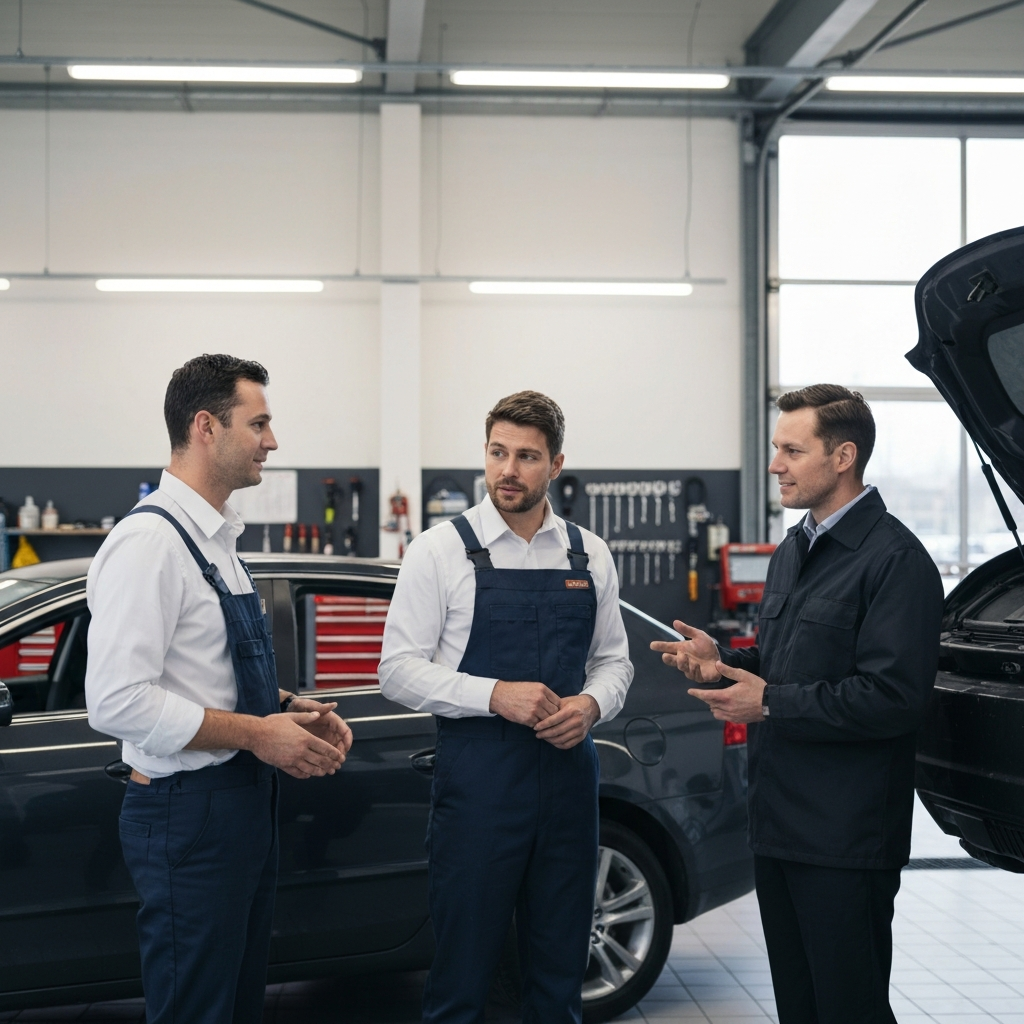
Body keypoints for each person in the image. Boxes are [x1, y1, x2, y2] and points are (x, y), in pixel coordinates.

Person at [652, 384, 944, 1024]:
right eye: (776, 447)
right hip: (780, 825)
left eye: (791, 449)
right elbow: (784, 662)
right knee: (801, 1009)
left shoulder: (897, 562)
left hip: (846, 839)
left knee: (849, 1009)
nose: (775, 464)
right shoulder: (794, 549)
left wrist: (772, 704)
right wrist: (725, 662)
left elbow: (894, 699)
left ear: (843, 457)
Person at [85, 354, 353, 1024]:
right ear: (206, 426)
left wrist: (288, 710)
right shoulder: (151, 544)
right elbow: (115, 700)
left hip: (236, 809)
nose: (273, 439)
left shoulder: (217, 541)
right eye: (258, 423)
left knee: (232, 1006)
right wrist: (258, 734)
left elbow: (205, 669)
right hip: (188, 817)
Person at [379, 390, 633, 1024]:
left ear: (556, 464)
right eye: (498, 452)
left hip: (569, 782)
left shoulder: (589, 553)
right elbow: (396, 671)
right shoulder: (438, 551)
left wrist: (592, 705)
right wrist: (493, 694)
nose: (508, 471)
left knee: (558, 976)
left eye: (526, 456)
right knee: (463, 977)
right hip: (479, 786)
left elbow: (614, 661)